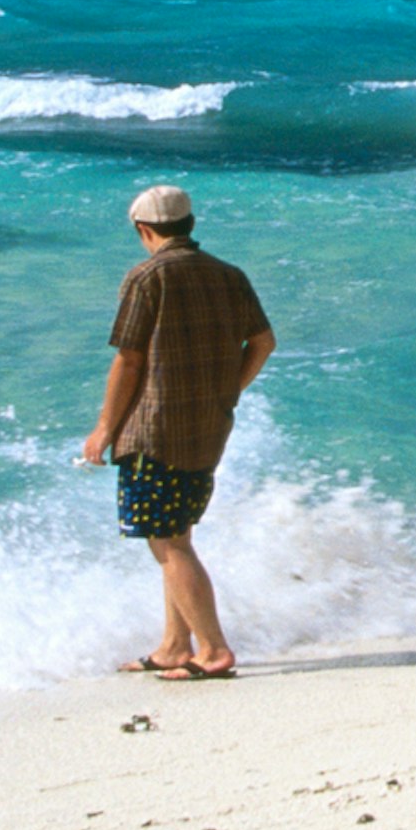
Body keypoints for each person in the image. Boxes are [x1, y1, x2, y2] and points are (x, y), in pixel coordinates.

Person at [79, 183, 275, 679]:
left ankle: (212, 650)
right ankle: (173, 645)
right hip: (209, 427)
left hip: (154, 430)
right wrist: (229, 389)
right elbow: (264, 342)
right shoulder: (229, 276)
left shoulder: (147, 277)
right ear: (188, 225)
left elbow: (128, 358)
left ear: (145, 230)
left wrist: (103, 429)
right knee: (178, 533)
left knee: (167, 543)